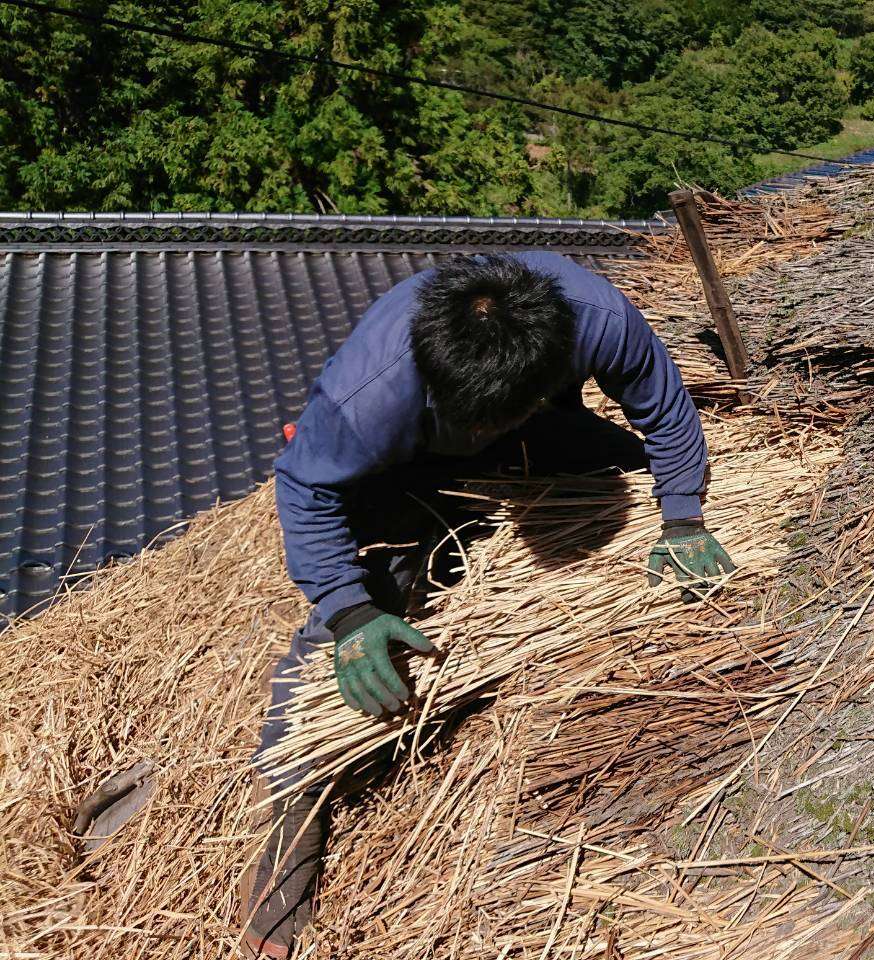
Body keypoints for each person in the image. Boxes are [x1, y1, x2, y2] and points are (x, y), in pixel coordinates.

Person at [239, 252, 735, 958]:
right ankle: (284, 847)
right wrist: (350, 612)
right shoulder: (369, 398)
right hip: (407, 456)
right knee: (356, 623)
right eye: (473, 426)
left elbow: (665, 411)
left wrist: (682, 517)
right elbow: (303, 488)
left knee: (619, 462)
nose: (480, 441)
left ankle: (519, 431)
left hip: (529, 416)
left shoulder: (598, 321)